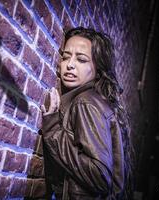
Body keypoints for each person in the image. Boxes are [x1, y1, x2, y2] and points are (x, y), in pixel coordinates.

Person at [40, 27, 133, 200]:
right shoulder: (98, 101)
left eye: (81, 59)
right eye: (66, 56)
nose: (70, 64)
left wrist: (52, 130)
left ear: (97, 69)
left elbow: (100, 177)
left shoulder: (86, 103)